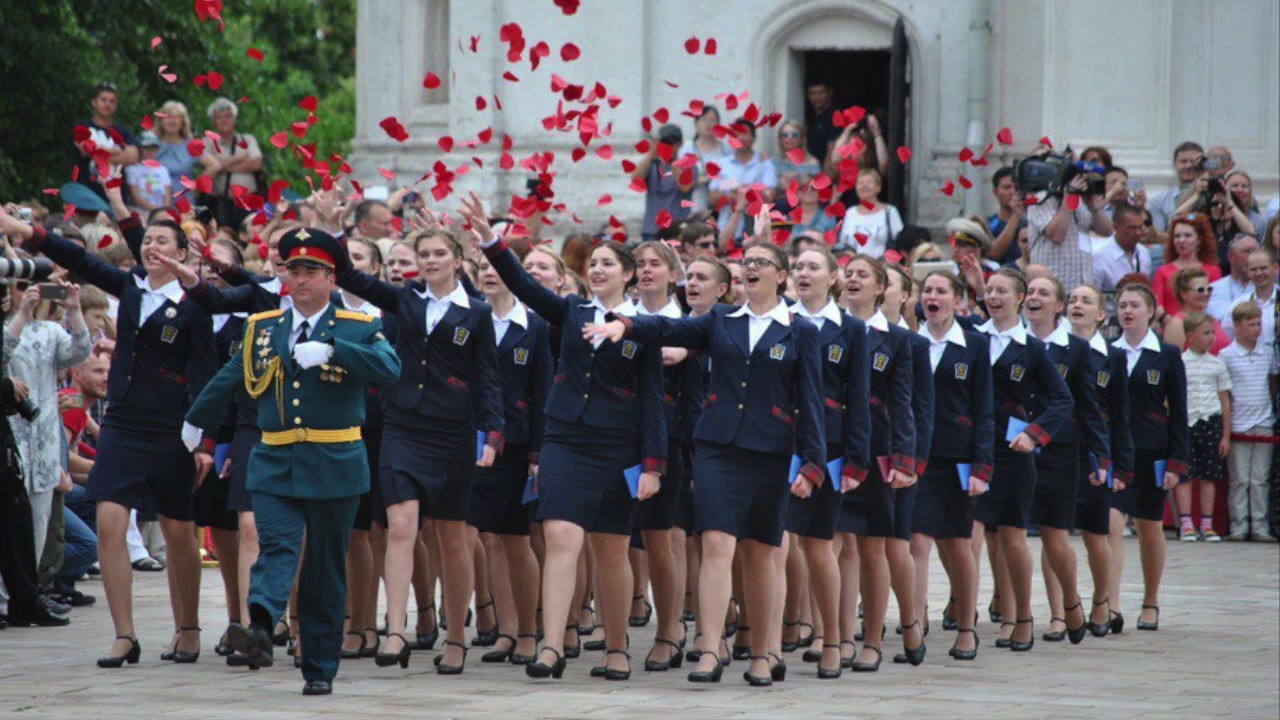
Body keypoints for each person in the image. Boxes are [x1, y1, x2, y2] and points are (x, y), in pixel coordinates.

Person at [587, 234, 825, 687]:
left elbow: (810, 402)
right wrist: (627, 326)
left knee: (759, 553)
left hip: (771, 452)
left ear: (780, 276)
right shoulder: (720, 320)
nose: (751, 267)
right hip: (717, 448)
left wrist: (812, 465)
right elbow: (669, 329)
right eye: (746, 261)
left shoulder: (800, 331)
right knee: (717, 543)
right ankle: (709, 647)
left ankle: (760, 653)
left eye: (761, 262)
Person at [183, 228, 400, 695]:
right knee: (273, 544)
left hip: (334, 459)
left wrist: (336, 350)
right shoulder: (263, 326)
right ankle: (260, 625)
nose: (300, 280)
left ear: (330, 277)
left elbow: (390, 368)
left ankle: (320, 665)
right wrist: (198, 421)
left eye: (311, 272)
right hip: (275, 456)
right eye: (293, 270)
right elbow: (230, 376)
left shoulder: (357, 324)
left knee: (323, 565)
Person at [1, 206, 219, 667]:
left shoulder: (199, 304)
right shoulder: (132, 287)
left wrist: (203, 442)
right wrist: (26, 232)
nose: (152, 247)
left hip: (173, 424)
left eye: (164, 242)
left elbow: (205, 374)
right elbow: (79, 260)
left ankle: (189, 627)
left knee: (180, 531)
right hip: (123, 420)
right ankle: (125, 635)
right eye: (148, 240)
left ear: (183, 254)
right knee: (110, 521)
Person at [467, 194, 667, 683]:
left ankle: (617, 647)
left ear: (627, 274)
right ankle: (552, 645)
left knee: (611, 549)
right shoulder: (572, 311)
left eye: (607, 264)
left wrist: (653, 465)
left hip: (618, 444)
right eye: (592, 262)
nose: (597, 269)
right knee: (559, 537)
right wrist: (493, 243)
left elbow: (652, 400)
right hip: (565, 440)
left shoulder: (643, 327)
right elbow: (524, 286)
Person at [333, 222, 505, 675]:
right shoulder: (406, 299)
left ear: (456, 260)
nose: (429, 261)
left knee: (452, 536)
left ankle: (454, 636)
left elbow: (487, 377)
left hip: (451, 430)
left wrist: (493, 433)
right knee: (400, 524)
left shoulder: (477, 312)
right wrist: (335, 232)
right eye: (422, 253)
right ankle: (394, 630)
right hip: (403, 424)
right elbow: (352, 278)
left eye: (438, 254)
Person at [970, 270, 1074, 651]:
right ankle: (982, 615)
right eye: (989, 290)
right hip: (974, 450)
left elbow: (1062, 399)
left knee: (1012, 537)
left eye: (1002, 291)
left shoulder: (1031, 348)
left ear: (1019, 299)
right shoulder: (972, 338)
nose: (994, 296)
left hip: (1013, 452)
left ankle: (1024, 617)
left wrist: (1034, 433)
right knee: (978, 535)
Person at [785, 247, 871, 678]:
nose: (804, 272)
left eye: (813, 267)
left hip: (831, 448)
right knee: (775, 544)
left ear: (833, 277)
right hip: (782, 443)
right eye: (798, 266)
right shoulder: (781, 320)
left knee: (819, 545)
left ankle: (834, 638)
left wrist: (856, 460)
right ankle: (769, 639)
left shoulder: (852, 330)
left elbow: (859, 399)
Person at [836, 256, 921, 671]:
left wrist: (905, 459)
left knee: (875, 548)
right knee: (838, 546)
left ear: (881, 289)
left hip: (877, 449)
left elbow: (903, 404)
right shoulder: (828, 330)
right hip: (835, 447)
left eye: (862, 275)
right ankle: (838, 637)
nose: (853, 279)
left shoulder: (898, 341)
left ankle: (874, 637)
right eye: (848, 273)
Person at [468, 252, 551, 665]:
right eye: (482, 268)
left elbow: (541, 395)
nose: (489, 274)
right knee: (491, 539)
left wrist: (538, 452)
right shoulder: (472, 319)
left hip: (518, 445)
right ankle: (506, 627)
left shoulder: (533, 328)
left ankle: (530, 631)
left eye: (497, 269)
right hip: (478, 440)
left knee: (517, 540)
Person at [909, 270, 992, 661]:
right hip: (917, 456)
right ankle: (915, 623)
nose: (933, 296)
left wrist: (982, 466)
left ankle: (966, 626)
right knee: (916, 542)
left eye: (941, 290)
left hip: (958, 456)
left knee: (958, 544)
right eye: (927, 290)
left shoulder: (974, 345)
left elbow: (983, 409)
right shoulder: (909, 342)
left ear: (957, 301)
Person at [1023, 276, 1110, 644]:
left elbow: (1089, 407)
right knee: (1015, 533)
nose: (1034, 297)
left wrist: (1102, 455)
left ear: (1057, 306)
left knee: (1054, 533)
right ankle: (1053, 613)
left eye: (1044, 293)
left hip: (1061, 450)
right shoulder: (1013, 342)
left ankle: (1079, 602)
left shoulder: (1075, 349)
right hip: (1016, 448)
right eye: (1030, 292)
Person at [1110, 282, 1189, 633]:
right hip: (1115, 452)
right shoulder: (1107, 352)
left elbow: (1180, 413)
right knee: (1109, 522)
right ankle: (1108, 603)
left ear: (1152, 311)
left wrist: (1176, 462)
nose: (1127, 311)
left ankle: (1150, 600)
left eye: (1135, 305)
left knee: (1149, 525)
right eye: (1122, 305)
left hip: (1152, 449)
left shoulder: (1167, 355)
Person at [1060, 284, 1135, 637]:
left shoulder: (1113, 357)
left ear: (1101, 314)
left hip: (1097, 453)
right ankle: (1062, 610)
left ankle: (1103, 601)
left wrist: (1120, 464)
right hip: (1061, 449)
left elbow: (1121, 415)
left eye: (1086, 301)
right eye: (1073, 300)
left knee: (1096, 534)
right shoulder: (1054, 349)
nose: (1078, 305)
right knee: (1054, 532)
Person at [4, 277, 92, 563]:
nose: (29, 292)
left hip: (44, 438)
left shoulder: (50, 331)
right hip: (10, 435)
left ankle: (29, 593)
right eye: (20, 286)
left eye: (33, 286)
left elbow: (80, 352)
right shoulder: (7, 327)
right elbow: (3, 350)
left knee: (39, 519)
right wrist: (22, 315)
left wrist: (75, 312)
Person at [1219, 302, 1278, 542]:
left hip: (1263, 421)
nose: (1256, 329)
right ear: (1237, 326)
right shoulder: (1226, 355)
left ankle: (1260, 525)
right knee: (1239, 479)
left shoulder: (1268, 351)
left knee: (1260, 479)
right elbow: (1225, 392)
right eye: (1250, 324)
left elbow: (1272, 384)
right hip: (1239, 423)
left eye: (1258, 324)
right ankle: (1239, 524)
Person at [1176, 312, 1232, 542]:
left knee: (1209, 476)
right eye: (1206, 333)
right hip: (1186, 423)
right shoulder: (1179, 362)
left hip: (1210, 423)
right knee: (1184, 476)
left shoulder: (1217, 364)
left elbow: (1225, 401)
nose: (1211, 338)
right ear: (1190, 335)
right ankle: (1186, 523)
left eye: (1213, 333)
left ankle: (1207, 524)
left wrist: (1225, 436)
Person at [1025, 168, 1111, 290]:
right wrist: (1069, 197)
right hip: (1053, 285)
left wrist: (1093, 208)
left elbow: (1107, 231)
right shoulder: (1041, 199)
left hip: (1082, 284)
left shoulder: (1081, 200)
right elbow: (1057, 235)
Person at [709, 119, 777, 248]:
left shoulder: (765, 163)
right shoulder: (721, 164)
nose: (740, 137)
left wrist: (749, 192)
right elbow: (712, 197)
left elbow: (771, 197)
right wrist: (732, 194)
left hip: (755, 232)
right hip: (726, 228)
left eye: (745, 133)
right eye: (736, 133)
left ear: (753, 137)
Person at [199, 97, 264, 229]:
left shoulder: (247, 139)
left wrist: (221, 166)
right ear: (213, 122)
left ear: (235, 120)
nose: (224, 121)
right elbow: (210, 165)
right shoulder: (207, 142)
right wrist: (240, 157)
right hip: (220, 202)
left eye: (228, 117)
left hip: (246, 201)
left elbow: (256, 163)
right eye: (219, 118)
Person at [72, 82, 138, 200]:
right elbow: (86, 148)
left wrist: (99, 156)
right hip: (87, 192)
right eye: (104, 100)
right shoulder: (83, 126)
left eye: (112, 101)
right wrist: (118, 151)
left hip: (116, 196)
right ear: (94, 102)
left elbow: (133, 157)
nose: (108, 104)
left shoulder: (123, 131)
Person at [635, 125, 696, 242]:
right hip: (652, 230)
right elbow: (636, 180)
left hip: (677, 229)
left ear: (680, 144)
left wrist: (672, 161)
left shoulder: (688, 166)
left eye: (671, 143)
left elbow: (685, 187)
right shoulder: (651, 165)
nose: (668, 146)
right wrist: (651, 155)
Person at [1153, 213, 1222, 316]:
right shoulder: (1162, 271)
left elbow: (1216, 304)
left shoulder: (1213, 270)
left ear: (1199, 240)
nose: (1181, 240)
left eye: (1187, 235)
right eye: (1177, 236)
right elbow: (1157, 304)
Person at [837, 168, 902, 260]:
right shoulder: (850, 212)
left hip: (883, 265)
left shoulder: (890, 211)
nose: (864, 186)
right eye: (860, 183)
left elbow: (900, 241)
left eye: (869, 182)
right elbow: (844, 242)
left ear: (878, 187)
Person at [1162, 268, 1231, 354]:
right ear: (1184, 294)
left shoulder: (1211, 319)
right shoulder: (1178, 324)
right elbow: (1172, 361)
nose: (1206, 294)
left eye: (1209, 289)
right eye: (1200, 290)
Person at [1147, 141, 1205, 239]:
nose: (1188, 166)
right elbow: (1156, 235)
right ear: (1175, 164)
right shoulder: (1159, 200)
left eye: (1194, 162)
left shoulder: (1213, 195)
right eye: (1183, 161)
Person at [679, 105, 730, 212]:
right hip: (694, 208)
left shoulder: (726, 150)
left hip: (722, 209)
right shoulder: (687, 149)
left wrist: (719, 182)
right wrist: (700, 180)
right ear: (696, 124)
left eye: (713, 120)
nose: (708, 124)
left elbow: (734, 178)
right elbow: (679, 180)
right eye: (704, 120)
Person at [1093, 204, 1154, 293]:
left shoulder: (1144, 253)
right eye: (1132, 228)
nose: (1138, 233)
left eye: (1140, 227)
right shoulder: (1099, 256)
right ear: (1115, 227)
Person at [1225, 250, 1277, 346]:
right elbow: (1227, 339)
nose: (1258, 273)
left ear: (1276, 268)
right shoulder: (1237, 305)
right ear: (1247, 272)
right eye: (1253, 269)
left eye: (1263, 268)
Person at [1208, 234, 1261, 322]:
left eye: (1255, 251)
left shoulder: (1271, 289)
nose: (1252, 256)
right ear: (1231, 257)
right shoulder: (1213, 290)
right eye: (1247, 251)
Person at [774, 121, 823, 198]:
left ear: (802, 139)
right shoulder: (774, 163)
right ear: (780, 139)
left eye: (794, 135)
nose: (789, 138)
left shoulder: (812, 164)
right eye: (784, 135)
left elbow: (815, 192)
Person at [154, 100, 200, 182]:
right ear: (160, 121)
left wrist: (197, 186)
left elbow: (214, 165)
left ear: (183, 122)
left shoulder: (190, 145)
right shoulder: (151, 144)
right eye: (167, 117)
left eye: (175, 117)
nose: (171, 121)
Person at [987, 168, 1025, 265]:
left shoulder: (1031, 222)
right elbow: (993, 253)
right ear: (995, 192)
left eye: (1016, 187)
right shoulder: (989, 224)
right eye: (1006, 188)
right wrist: (1015, 216)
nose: (1012, 191)